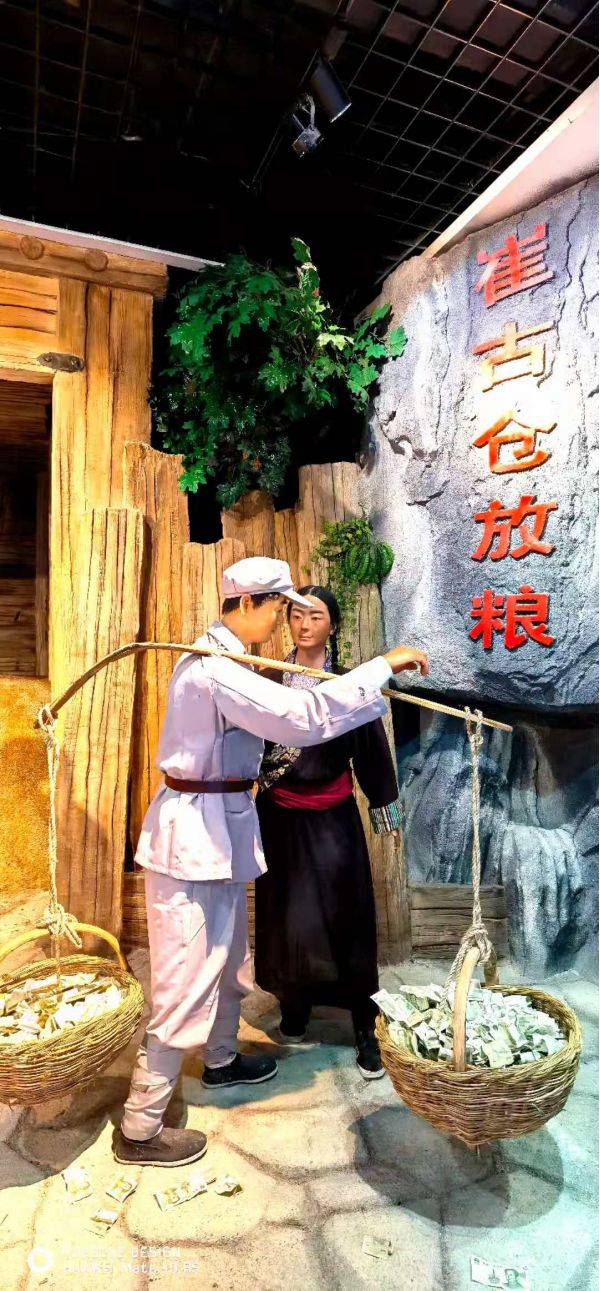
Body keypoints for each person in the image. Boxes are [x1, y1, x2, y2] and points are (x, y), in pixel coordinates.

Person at [113, 557, 429, 1169]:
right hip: (192, 840)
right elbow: (302, 718)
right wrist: (383, 666)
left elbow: (317, 718)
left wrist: (360, 686)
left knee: (229, 958)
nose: (287, 620)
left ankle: (222, 1059)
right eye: (281, 607)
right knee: (184, 977)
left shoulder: (236, 664)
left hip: (224, 831)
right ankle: (141, 1126)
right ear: (249, 603)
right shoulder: (216, 669)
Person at [254, 586, 403, 1079]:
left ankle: (364, 1023)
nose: (304, 624)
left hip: (333, 818)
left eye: (315, 616)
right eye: (296, 615)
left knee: (347, 917)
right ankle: (295, 1004)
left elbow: (371, 750)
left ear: (332, 626)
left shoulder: (351, 685)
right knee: (289, 919)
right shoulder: (267, 680)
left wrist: (384, 808)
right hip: (278, 818)